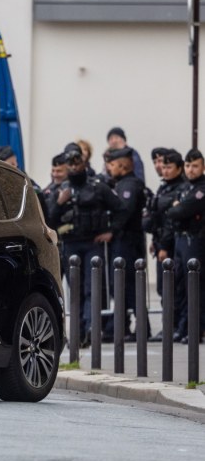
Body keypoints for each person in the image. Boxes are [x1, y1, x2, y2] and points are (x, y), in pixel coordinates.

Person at [49, 143, 126, 346]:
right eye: (70, 163)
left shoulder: (98, 186)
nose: (74, 167)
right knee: (76, 291)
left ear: (84, 163)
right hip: (71, 245)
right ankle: (78, 332)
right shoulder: (60, 190)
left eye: (78, 162)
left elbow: (121, 209)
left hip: (92, 243)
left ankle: (91, 328)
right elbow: (49, 219)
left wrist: (111, 232)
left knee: (92, 289)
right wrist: (59, 202)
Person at [103, 147, 149, 340]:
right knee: (121, 285)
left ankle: (139, 328)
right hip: (125, 241)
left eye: (111, 165)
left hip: (127, 242)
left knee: (127, 285)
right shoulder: (122, 183)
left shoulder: (129, 185)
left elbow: (125, 211)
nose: (108, 169)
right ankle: (120, 327)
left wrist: (110, 231)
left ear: (122, 165)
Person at [165, 149, 205, 344]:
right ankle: (183, 327)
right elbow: (171, 211)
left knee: (194, 288)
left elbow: (181, 209)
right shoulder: (184, 188)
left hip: (195, 240)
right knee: (180, 287)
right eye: (188, 166)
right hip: (180, 240)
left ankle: (195, 329)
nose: (190, 169)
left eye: (195, 165)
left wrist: (177, 207)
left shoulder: (201, 188)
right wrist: (176, 207)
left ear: (202, 167)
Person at [144, 149, 185, 339]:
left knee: (174, 288)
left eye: (168, 166)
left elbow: (171, 222)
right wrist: (155, 241)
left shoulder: (180, 188)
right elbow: (157, 217)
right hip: (161, 242)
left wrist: (164, 246)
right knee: (164, 289)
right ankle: (170, 327)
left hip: (171, 246)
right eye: (162, 165)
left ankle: (177, 327)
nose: (163, 169)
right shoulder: (164, 187)